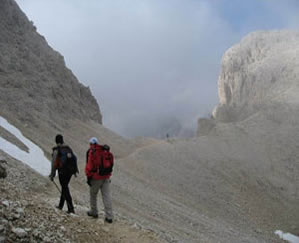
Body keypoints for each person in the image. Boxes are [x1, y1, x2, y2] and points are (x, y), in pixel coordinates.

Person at [85, 137, 113, 223]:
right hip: (106, 177)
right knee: (106, 196)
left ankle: (94, 212)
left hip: (96, 178)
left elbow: (89, 166)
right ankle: (109, 216)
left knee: (93, 195)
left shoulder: (92, 152)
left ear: (91, 144)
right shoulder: (105, 152)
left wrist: (88, 177)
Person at [49, 134, 77, 214]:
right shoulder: (68, 148)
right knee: (64, 187)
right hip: (70, 172)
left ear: (56, 141)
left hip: (62, 172)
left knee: (65, 188)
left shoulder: (57, 150)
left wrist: (52, 175)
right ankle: (61, 205)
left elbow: (54, 164)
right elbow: (74, 159)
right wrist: (74, 171)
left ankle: (71, 208)